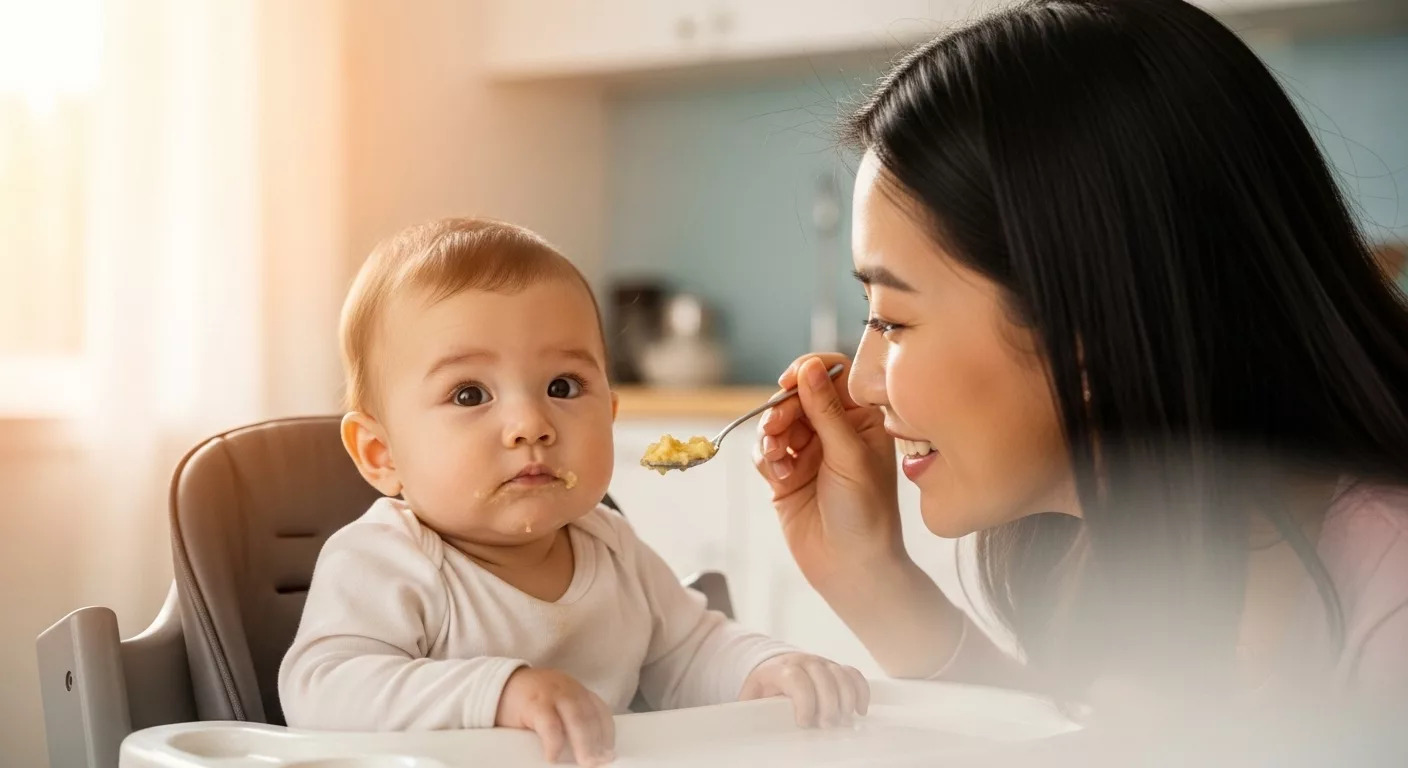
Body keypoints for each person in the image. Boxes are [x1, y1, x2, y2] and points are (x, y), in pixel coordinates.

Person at [754, 0, 1408, 719]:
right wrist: (871, 578)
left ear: (1085, 330)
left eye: (893, 320)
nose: (863, 381)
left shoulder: (1390, 589)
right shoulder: (1113, 554)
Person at [280, 218, 868, 767]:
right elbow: (321, 688)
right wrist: (498, 693)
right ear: (380, 454)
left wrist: (769, 668)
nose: (530, 424)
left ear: (609, 414)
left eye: (562, 386)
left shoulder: (612, 547)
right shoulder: (386, 559)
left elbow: (693, 651)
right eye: (469, 394)